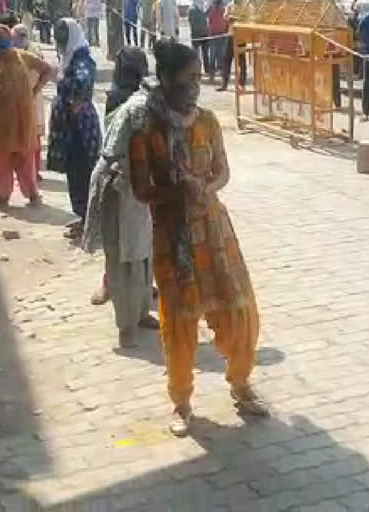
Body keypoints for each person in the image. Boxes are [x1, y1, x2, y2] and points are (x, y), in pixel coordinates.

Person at [129, 40, 267, 436]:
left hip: (214, 230)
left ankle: (241, 385)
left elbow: (223, 171)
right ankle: (182, 402)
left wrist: (208, 188)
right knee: (181, 321)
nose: (196, 85)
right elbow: (141, 189)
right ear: (167, 79)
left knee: (240, 310)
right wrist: (179, 192)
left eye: (198, 78)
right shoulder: (145, 129)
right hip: (174, 237)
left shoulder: (207, 121)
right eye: (189, 78)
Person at [82, 47, 159, 348]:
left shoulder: (153, 105)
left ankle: (140, 313)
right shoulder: (134, 109)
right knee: (121, 259)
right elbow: (117, 152)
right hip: (119, 188)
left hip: (139, 191)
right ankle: (125, 327)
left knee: (142, 256)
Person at [0, 24, 53, 209]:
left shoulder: (22, 56)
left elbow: (47, 69)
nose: (3, 48)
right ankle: (2, 198)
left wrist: (35, 90)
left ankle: (32, 194)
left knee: (26, 161)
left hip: (23, 123)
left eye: (6, 43)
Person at [47, 18, 101, 239]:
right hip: (69, 126)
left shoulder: (82, 59)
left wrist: (72, 100)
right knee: (73, 172)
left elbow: (82, 82)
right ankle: (82, 216)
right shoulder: (68, 58)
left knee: (82, 171)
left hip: (79, 128)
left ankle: (90, 220)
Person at [12, 23, 48, 181]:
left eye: (22, 35)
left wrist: (35, 89)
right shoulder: (10, 52)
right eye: (17, 36)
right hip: (16, 100)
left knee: (34, 138)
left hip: (33, 99)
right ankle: (22, 171)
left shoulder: (35, 52)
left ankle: (33, 171)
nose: (20, 39)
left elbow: (45, 72)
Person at [217, 0, 248, 91]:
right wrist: (229, 17)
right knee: (226, 60)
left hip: (241, 36)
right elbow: (225, 16)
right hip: (230, 35)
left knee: (241, 61)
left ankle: (241, 84)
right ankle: (224, 84)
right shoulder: (230, 5)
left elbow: (248, 18)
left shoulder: (245, 5)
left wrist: (237, 18)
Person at [188, 0, 211, 77]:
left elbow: (190, 21)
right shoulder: (204, 7)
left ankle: (197, 71)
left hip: (196, 34)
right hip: (204, 33)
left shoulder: (191, 9)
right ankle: (207, 70)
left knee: (196, 54)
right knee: (205, 54)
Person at [207, 0, 227, 82]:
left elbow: (225, 20)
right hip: (214, 35)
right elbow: (209, 22)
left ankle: (222, 74)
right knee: (213, 56)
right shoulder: (211, 9)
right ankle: (212, 75)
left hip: (221, 34)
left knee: (220, 55)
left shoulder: (223, 9)